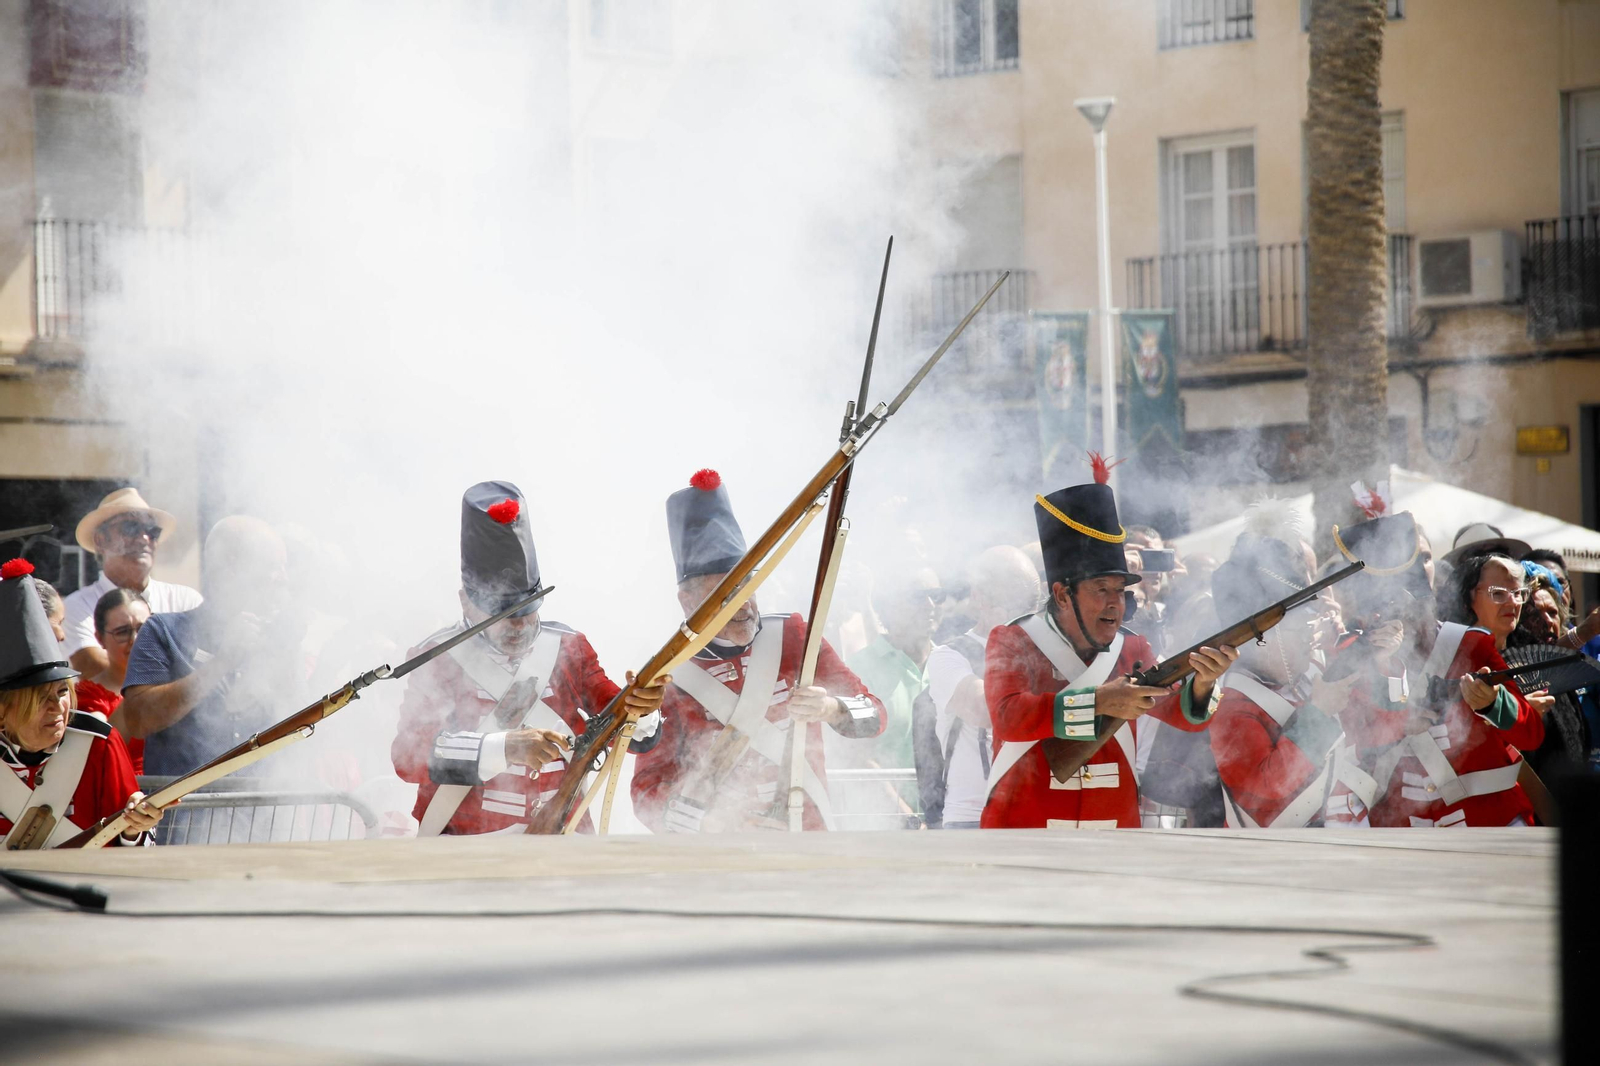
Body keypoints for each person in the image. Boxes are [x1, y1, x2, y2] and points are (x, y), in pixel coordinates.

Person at [392, 482, 667, 836]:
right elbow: (407, 756)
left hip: (564, 836)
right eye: (504, 613)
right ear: (466, 603)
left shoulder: (569, 647)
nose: (520, 624)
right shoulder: (436, 658)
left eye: (528, 608)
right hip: (466, 846)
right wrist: (503, 748)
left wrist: (643, 706)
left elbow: (620, 718)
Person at [981, 456, 1236, 830]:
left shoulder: (1132, 649)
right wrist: (1099, 701)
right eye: (1101, 589)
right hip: (1025, 831)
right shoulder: (1014, 640)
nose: (1116, 603)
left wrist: (1204, 682)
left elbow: (1180, 713)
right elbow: (1008, 717)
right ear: (1062, 594)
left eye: (1120, 589)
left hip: (1113, 831)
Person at [631, 470, 884, 833]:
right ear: (687, 601)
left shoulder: (793, 636)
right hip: (722, 852)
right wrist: (716, 824)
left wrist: (830, 707)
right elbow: (647, 791)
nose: (743, 604)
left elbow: (874, 713)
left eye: (747, 585)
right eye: (723, 595)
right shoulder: (670, 675)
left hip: (806, 837)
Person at [1206, 512, 1360, 828]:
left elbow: (1373, 725)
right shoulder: (1232, 706)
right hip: (1275, 849)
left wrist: (1383, 662)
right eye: (1299, 626)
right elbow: (1268, 784)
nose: (1309, 635)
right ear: (1263, 639)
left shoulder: (1309, 671)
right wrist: (1318, 714)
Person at [0, 557, 161, 847]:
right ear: (2, 711)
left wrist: (134, 828)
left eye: (62, 691)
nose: (56, 707)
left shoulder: (99, 744)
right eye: (40, 698)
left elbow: (134, 848)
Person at [119, 516, 295, 777]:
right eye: (272, 566)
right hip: (185, 804)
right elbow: (138, 720)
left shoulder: (280, 640)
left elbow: (304, 729)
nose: (284, 579)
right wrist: (222, 662)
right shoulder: (163, 631)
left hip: (263, 803)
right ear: (229, 570)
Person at [925, 545, 1040, 829]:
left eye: (1029, 600)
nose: (1022, 610)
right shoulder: (948, 656)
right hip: (971, 815)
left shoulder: (1046, 651)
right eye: (1010, 595)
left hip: (1035, 810)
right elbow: (986, 711)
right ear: (978, 597)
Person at [60, 488, 202, 678]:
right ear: (100, 540)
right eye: (130, 528)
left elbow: (208, 666)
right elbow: (97, 667)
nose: (144, 538)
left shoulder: (186, 600)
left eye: (152, 531)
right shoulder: (76, 607)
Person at [74, 589, 151, 774]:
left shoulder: (170, 680)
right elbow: (100, 752)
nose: (135, 640)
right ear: (100, 639)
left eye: (144, 629)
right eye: (122, 632)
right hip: (125, 789)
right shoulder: (87, 697)